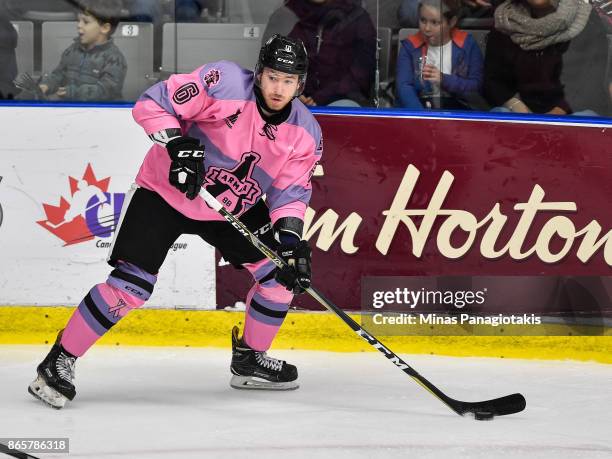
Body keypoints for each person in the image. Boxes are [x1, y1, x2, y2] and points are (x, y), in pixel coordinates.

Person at [28, 34, 322, 409]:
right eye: (272, 77)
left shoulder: (305, 132)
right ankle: (59, 361)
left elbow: (290, 193)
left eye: (289, 80)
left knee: (280, 278)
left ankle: (249, 360)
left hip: (231, 205)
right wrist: (175, 144)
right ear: (259, 73)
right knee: (130, 287)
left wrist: (291, 242)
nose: (279, 87)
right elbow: (154, 102)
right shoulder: (227, 81)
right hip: (167, 191)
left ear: (301, 84)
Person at [483, 0, 592, 115]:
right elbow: (493, 81)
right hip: (520, 113)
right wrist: (516, 105)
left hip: (571, 112)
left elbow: (589, 82)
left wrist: (557, 114)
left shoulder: (584, 21)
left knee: (588, 116)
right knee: (500, 114)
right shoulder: (505, 21)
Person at [263, 0, 376, 107]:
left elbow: (362, 73)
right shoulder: (286, 15)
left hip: (341, 98)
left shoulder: (356, 17)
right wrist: (293, 91)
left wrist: (323, 97)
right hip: (293, 98)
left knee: (346, 110)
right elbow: (271, 64)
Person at [28, 0, 127, 101]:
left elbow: (106, 90)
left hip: (100, 113)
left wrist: (74, 92)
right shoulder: (72, 50)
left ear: (105, 28)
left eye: (86, 22)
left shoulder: (114, 59)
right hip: (72, 111)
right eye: (78, 21)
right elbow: (59, 74)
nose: (79, 25)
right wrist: (46, 84)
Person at [396, 0, 484, 109]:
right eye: (423, 20)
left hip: (458, 112)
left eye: (435, 23)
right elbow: (404, 86)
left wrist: (444, 80)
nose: (427, 29)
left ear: (452, 22)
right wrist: (421, 117)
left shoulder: (467, 44)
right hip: (420, 110)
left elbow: (476, 87)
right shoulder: (410, 46)